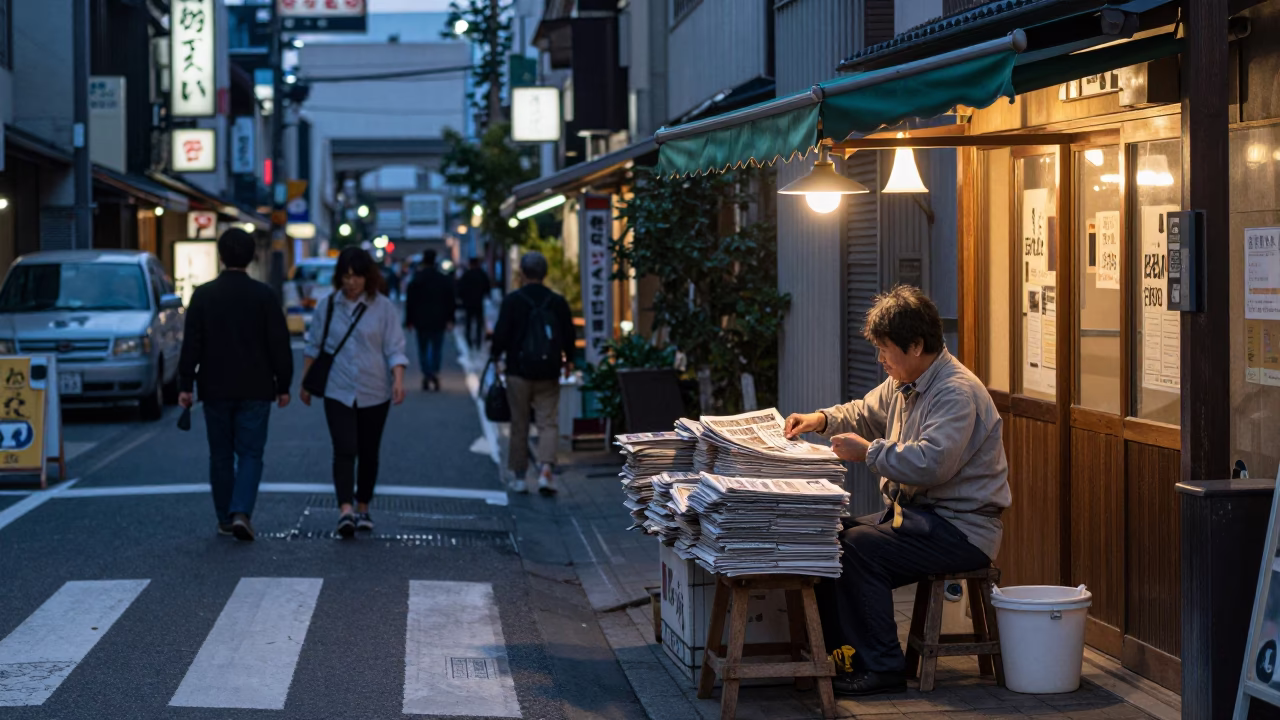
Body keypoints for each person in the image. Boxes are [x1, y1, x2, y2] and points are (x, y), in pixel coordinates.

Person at [783, 285, 1011, 697]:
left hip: (962, 530)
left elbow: (931, 463)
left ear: (917, 344)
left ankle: (883, 669)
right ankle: (842, 658)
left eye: (886, 349)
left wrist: (868, 451)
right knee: (829, 537)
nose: (880, 359)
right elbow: (863, 411)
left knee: (858, 548)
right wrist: (819, 419)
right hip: (919, 520)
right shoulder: (905, 381)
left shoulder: (955, 392)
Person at [178, 228, 293, 542]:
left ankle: (225, 517)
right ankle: (242, 510)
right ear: (252, 255)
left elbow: (192, 345)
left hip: (215, 386)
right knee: (251, 453)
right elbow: (279, 344)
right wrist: (284, 385)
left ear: (220, 255)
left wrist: (185, 383)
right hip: (256, 385)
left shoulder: (203, 295)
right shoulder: (265, 295)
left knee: (221, 455)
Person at [301, 247, 409, 538]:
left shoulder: (383, 307)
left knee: (369, 451)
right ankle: (345, 510)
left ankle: (363, 506)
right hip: (338, 388)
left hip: (375, 389)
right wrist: (305, 382)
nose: (352, 283)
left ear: (368, 277)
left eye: (357, 276)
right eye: (346, 277)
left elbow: (395, 348)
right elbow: (314, 347)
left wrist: (398, 380)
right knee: (344, 448)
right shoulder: (328, 306)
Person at [490, 251, 575, 495]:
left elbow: (501, 334)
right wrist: (568, 360)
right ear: (545, 273)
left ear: (522, 273)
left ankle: (519, 477)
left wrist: (496, 357)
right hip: (549, 371)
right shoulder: (556, 301)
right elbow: (568, 334)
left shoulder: (513, 300)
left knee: (519, 423)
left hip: (518, 370)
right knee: (548, 422)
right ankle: (546, 470)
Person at [404, 249, 455, 391]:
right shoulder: (443, 279)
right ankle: (434, 372)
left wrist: (408, 320)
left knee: (423, 348)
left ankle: (427, 373)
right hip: (439, 319)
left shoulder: (417, 279)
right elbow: (450, 300)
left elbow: (410, 302)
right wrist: (451, 319)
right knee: (437, 348)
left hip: (421, 320)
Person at [457, 257, 491, 350]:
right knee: (479, 323)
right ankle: (478, 342)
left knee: (468, 323)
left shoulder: (466, 275)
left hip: (468, 302)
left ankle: (469, 341)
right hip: (479, 302)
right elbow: (487, 287)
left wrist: (462, 298)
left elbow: (460, 288)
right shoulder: (482, 274)